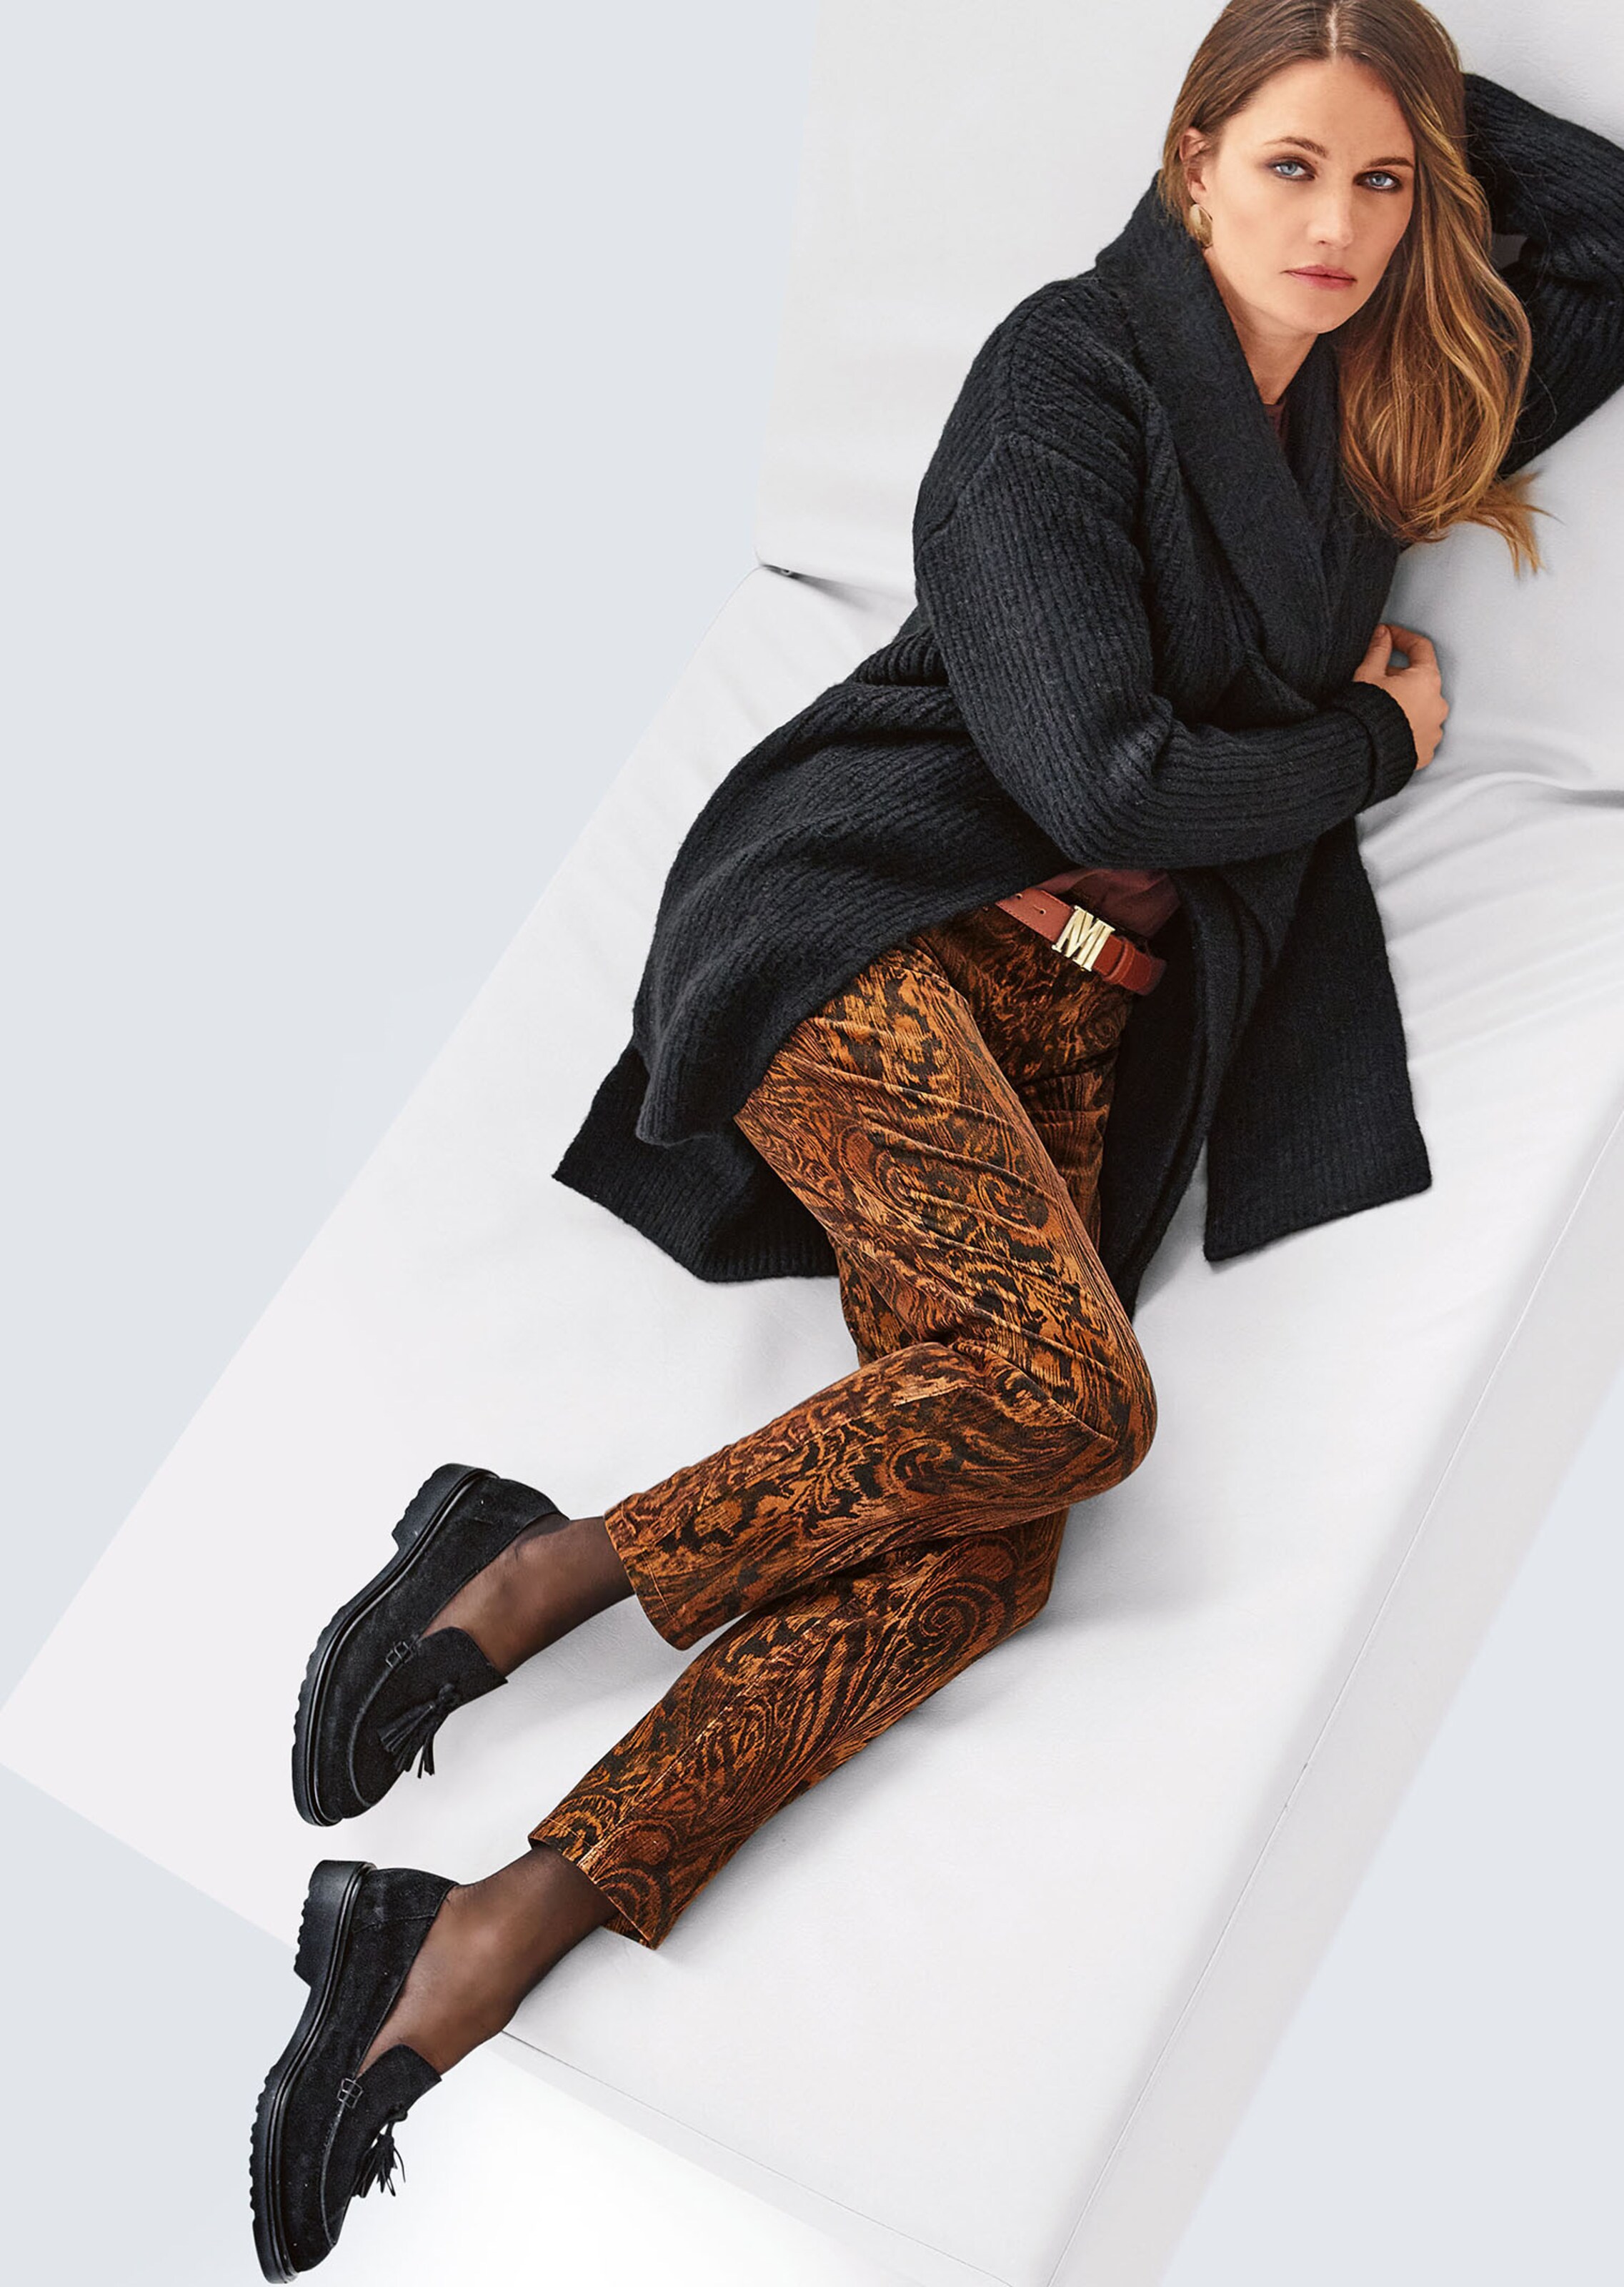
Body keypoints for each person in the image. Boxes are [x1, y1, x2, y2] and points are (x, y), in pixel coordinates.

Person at [249, 4, 1624, 2275]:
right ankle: (533, 1575)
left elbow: (1610, 236)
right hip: (863, 932)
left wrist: (1391, 83)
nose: (1335, 226)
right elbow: (1102, 777)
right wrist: (1368, 753)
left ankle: (470, 1935)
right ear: (1188, 162)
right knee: (1073, 1400)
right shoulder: (1059, 383)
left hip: (1084, 1028)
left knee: (996, 1550)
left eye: (1380, 186)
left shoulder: (1378, 420)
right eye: (1287, 167)